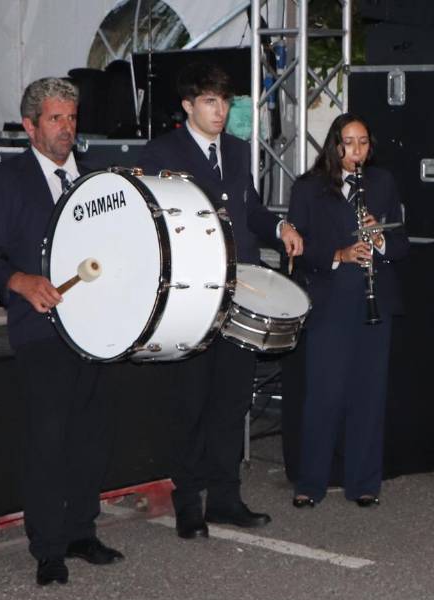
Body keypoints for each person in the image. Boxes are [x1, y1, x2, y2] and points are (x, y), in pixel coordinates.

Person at [136, 62, 303, 538]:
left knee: (232, 401)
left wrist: (279, 227)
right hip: (191, 295)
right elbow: (151, 223)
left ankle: (225, 497)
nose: (220, 111)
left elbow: (251, 206)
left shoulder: (236, 148)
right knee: (192, 401)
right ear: (188, 105)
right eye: (210, 102)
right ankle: (188, 501)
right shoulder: (161, 152)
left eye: (225, 102)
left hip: (240, 288)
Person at [0, 77, 124, 586]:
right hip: (42, 329)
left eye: (72, 118)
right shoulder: (5, 181)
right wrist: (19, 279)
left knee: (91, 436)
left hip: (97, 329)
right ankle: (48, 546)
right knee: (48, 440)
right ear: (31, 126)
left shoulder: (98, 179)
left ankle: (82, 531)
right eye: (56, 119)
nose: (67, 129)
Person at [287, 114, 409, 508]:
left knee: (368, 395)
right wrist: (338, 254)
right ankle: (311, 482)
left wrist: (380, 240)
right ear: (334, 145)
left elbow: (402, 243)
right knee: (324, 395)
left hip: (376, 301)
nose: (356, 151)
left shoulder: (383, 183)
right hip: (330, 301)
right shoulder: (308, 188)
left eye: (362, 143)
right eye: (348, 143)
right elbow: (298, 251)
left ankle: (364, 483)